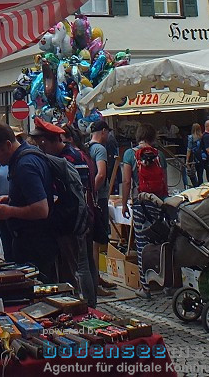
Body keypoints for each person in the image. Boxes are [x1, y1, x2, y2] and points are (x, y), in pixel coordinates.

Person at [29, 120, 95, 307]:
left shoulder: (67, 160)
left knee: (78, 267)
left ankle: (86, 306)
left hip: (73, 221)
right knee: (82, 265)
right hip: (77, 218)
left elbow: (73, 195)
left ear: (47, 141)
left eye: (41, 142)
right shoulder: (72, 154)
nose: (40, 147)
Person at [0, 123, 56, 279]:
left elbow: (41, 209)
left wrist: (10, 211)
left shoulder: (25, 165)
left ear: (8, 145)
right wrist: (11, 199)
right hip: (35, 241)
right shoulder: (29, 154)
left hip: (34, 244)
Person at [120, 125, 168, 297]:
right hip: (158, 202)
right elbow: (165, 181)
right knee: (160, 241)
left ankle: (145, 287)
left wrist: (125, 203)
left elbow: (126, 181)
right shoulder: (159, 154)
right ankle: (164, 283)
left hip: (140, 202)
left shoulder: (129, 154)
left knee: (141, 244)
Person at [88, 120, 114, 294]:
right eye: (107, 133)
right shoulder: (100, 149)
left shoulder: (85, 147)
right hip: (99, 198)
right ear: (103, 131)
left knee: (90, 241)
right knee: (97, 240)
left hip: (90, 198)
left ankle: (95, 277)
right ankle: (95, 281)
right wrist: (93, 192)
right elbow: (101, 174)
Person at [183, 123, 204, 188]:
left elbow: (189, 149)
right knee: (200, 175)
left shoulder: (191, 137)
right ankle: (201, 187)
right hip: (201, 158)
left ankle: (196, 187)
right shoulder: (202, 137)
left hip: (193, 159)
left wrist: (187, 160)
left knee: (192, 174)